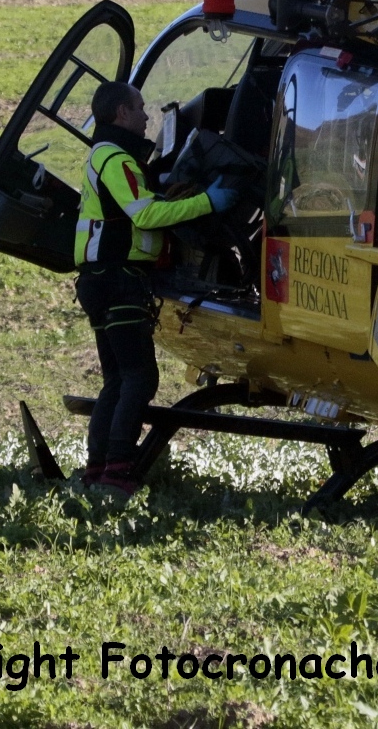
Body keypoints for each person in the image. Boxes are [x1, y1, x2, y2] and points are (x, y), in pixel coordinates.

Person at [77, 81, 237, 497]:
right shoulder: (114, 157)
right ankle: (117, 471)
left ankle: (97, 469)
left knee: (116, 379)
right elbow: (145, 216)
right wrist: (209, 202)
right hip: (117, 280)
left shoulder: (110, 156)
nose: (148, 116)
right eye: (140, 108)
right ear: (121, 114)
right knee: (138, 377)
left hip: (103, 280)